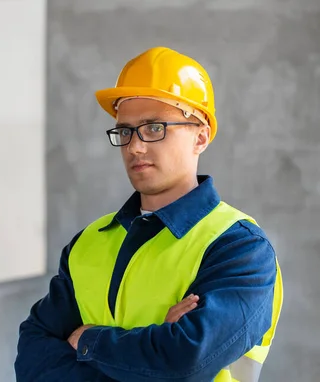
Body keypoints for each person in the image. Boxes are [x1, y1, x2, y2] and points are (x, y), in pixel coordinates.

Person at [14, 46, 283, 382]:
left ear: (201, 136)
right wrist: (155, 349)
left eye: (154, 128)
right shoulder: (88, 243)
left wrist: (86, 340)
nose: (135, 147)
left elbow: (186, 360)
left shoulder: (239, 248)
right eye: (125, 131)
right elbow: (32, 358)